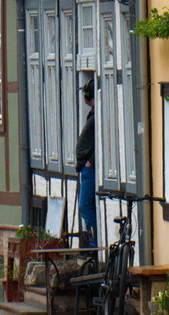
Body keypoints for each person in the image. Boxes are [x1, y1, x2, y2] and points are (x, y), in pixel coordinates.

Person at [77, 79, 97, 248]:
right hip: (86, 167)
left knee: (84, 205)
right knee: (87, 206)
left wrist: (90, 162)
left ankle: (93, 244)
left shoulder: (97, 115)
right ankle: (92, 241)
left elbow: (102, 140)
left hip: (89, 169)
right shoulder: (94, 113)